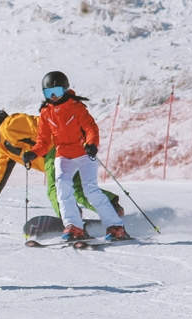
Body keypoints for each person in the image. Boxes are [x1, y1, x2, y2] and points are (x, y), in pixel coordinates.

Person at [0, 108, 121, 227]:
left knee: (54, 188)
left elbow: (42, 123)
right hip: (56, 157)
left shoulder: (9, 125)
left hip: (55, 151)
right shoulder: (3, 149)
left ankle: (71, 223)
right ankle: (112, 207)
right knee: (80, 191)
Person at [35, 71, 129, 242]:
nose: (54, 96)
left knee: (90, 190)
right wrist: (32, 153)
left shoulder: (76, 107)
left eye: (56, 91)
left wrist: (92, 143)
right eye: (49, 93)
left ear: (65, 89)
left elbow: (90, 128)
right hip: (63, 154)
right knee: (62, 189)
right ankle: (74, 227)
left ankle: (116, 227)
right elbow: (42, 140)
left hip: (83, 152)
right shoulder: (45, 113)